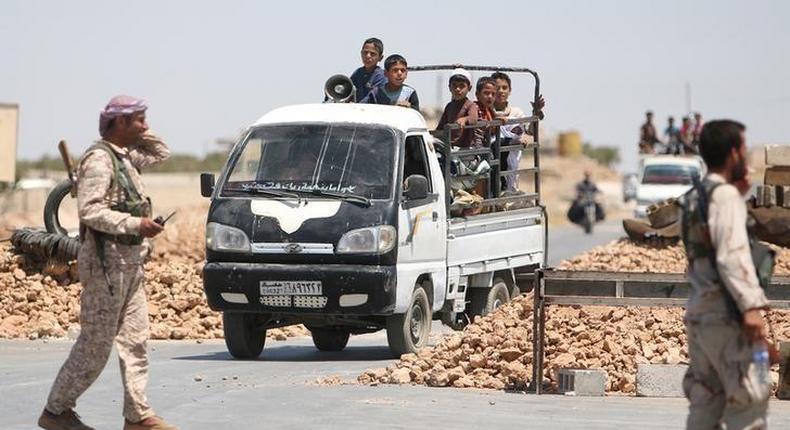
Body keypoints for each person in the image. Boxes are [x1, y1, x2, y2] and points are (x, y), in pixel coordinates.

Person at [38, 96, 177, 430]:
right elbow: (91, 211)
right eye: (139, 120)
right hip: (106, 265)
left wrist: (138, 130)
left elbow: (161, 153)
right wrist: (136, 225)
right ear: (119, 123)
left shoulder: (126, 157)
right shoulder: (100, 161)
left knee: (136, 341)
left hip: (131, 263)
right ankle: (56, 411)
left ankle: (138, 416)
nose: (146, 126)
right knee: (96, 345)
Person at [680, 119, 772, 429]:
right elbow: (731, 256)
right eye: (744, 149)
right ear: (734, 153)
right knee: (748, 406)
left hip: (701, 319)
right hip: (728, 317)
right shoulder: (726, 198)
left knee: (706, 406)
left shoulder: (695, 198)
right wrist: (751, 306)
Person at [490, 71, 545, 191]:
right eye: (497, 88)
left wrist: (535, 113)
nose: (501, 91)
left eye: (504, 88)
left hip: (512, 164)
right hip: (492, 163)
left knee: (510, 190)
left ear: (510, 90)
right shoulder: (486, 111)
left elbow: (529, 132)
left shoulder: (517, 113)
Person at [436, 68, 474, 147]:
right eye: (454, 85)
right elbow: (441, 127)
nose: (457, 89)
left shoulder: (470, 105)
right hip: (449, 145)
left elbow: (474, 118)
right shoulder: (449, 106)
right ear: (449, 87)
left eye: (462, 86)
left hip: (464, 148)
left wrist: (465, 119)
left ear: (469, 88)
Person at [349, 37, 387, 102]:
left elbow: (372, 98)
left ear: (380, 58)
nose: (368, 56)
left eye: (372, 54)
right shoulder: (358, 73)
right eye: (365, 52)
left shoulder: (381, 76)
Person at [468, 76, 498, 148]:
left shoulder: (490, 110)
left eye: (493, 94)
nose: (490, 96)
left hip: (486, 142)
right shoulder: (474, 108)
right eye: (486, 93)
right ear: (477, 94)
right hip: (475, 144)